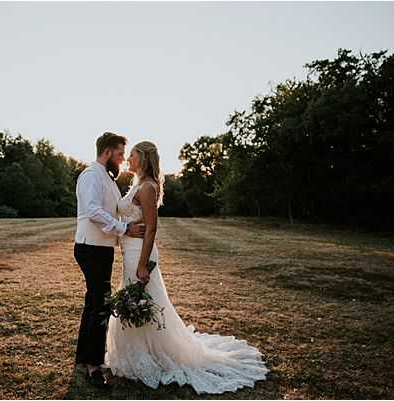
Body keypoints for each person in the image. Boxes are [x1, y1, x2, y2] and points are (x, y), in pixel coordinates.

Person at [104, 140, 270, 394]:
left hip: (139, 254)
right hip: (128, 252)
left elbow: (152, 228)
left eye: (134, 156)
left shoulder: (147, 187)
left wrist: (142, 264)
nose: (129, 159)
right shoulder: (137, 183)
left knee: (144, 301)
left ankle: (152, 355)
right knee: (138, 301)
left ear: (145, 158)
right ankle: (138, 351)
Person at [73, 132, 145, 388]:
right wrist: (124, 229)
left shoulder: (107, 178)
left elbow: (111, 211)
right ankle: (93, 366)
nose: (123, 159)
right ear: (107, 152)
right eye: (120, 153)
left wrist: (126, 226)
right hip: (90, 248)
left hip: (101, 248)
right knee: (100, 304)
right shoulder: (91, 175)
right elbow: (93, 211)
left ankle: (84, 358)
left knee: (93, 301)